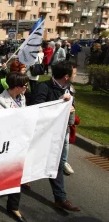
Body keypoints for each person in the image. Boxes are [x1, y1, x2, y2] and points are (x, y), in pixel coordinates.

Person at [32, 61, 80, 212]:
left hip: (57, 134)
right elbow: (37, 109)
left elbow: (71, 108)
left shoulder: (70, 88)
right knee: (27, 160)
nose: (76, 75)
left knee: (56, 163)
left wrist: (71, 110)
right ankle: (17, 182)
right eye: (75, 73)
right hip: (40, 134)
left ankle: (60, 199)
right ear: (66, 76)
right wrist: (60, 103)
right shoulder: (43, 87)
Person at [0, 71, 29, 222]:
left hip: (19, 143)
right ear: (16, 86)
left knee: (17, 174)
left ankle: (13, 206)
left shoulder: (22, 97)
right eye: (25, 85)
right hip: (4, 143)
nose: (27, 88)